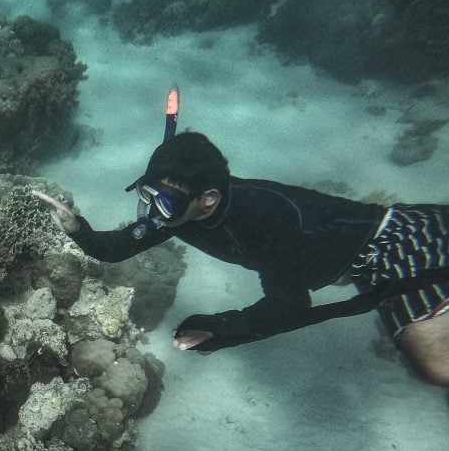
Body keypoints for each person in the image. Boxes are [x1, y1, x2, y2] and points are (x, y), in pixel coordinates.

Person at [32, 131, 449, 386]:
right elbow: (117, 248)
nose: (154, 210)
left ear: (208, 198)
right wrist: (77, 228)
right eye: (146, 194)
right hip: (363, 268)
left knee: (434, 363)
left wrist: (221, 327)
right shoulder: (178, 212)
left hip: (395, 240)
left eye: (165, 200)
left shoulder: (262, 220)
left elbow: (290, 305)